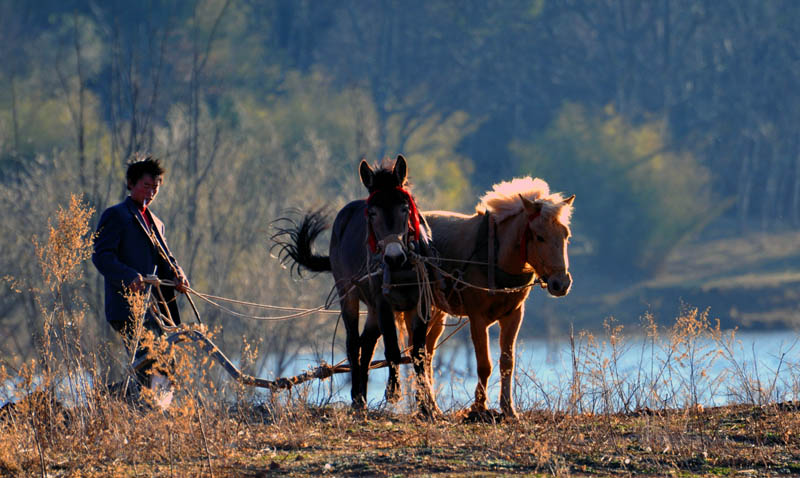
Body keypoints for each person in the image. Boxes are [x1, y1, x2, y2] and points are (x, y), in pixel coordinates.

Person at [92, 155, 190, 394]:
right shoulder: (116, 215)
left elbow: (166, 260)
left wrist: (179, 276)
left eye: (155, 187)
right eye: (146, 186)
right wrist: (129, 276)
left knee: (168, 362)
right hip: (128, 306)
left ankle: (132, 403)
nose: (151, 192)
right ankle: (132, 404)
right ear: (131, 184)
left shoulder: (157, 222)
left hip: (156, 308)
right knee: (150, 360)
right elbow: (101, 255)